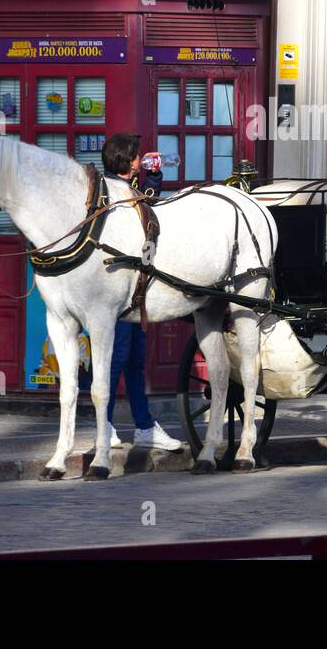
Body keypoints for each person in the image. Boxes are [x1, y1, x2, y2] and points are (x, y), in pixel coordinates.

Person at [97, 133, 182, 451]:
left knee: (134, 359)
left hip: (137, 289)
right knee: (114, 358)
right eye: (136, 157)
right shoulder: (106, 192)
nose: (140, 161)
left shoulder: (129, 188)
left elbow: (148, 208)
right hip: (112, 290)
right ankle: (103, 425)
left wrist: (155, 177)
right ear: (125, 160)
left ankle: (144, 426)